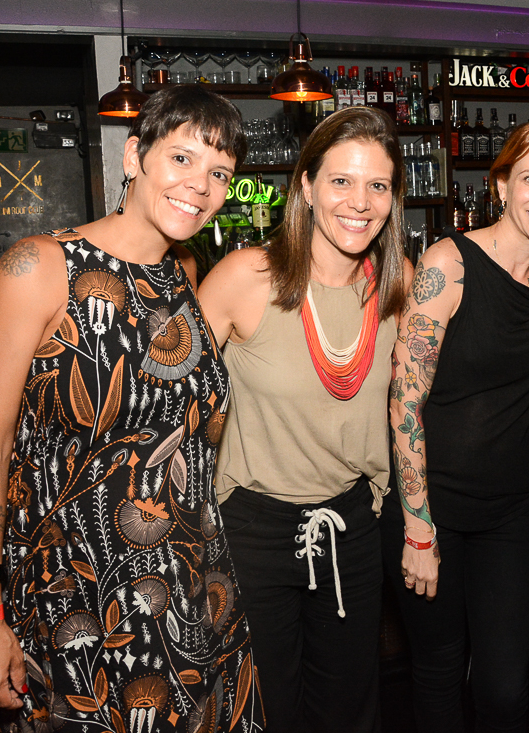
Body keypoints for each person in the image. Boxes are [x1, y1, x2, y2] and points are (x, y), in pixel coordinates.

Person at [0, 85, 263, 731]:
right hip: (75, 599)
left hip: (190, 588)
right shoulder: (39, 269)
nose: (200, 185)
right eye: (181, 158)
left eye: (220, 173)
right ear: (133, 157)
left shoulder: (185, 271)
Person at [198, 106, 411, 733]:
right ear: (308, 186)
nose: (360, 202)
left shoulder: (398, 288)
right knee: (265, 709)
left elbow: (423, 404)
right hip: (252, 530)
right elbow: (168, 405)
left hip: (351, 527)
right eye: (341, 180)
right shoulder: (247, 277)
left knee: (349, 710)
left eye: (377, 185)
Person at [382, 120, 529, 733]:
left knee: (503, 688)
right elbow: (404, 400)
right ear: (501, 186)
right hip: (434, 505)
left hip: (513, 510)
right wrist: (418, 528)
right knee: (439, 671)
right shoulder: (450, 263)